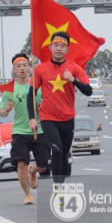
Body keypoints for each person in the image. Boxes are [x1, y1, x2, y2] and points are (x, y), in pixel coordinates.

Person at [28, 31, 93, 183]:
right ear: (50, 47)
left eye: (62, 46)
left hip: (68, 118)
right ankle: (58, 190)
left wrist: (73, 80)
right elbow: (29, 95)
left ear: (67, 50)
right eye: (56, 45)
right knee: (56, 150)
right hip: (48, 118)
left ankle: (60, 183)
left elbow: (89, 91)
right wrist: (32, 118)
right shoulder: (40, 69)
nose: (59, 48)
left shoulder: (74, 68)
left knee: (63, 155)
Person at [0, 53, 49, 205]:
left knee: (43, 166)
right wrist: (6, 110)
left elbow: (46, 104)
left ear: (29, 68)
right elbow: (1, 113)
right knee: (21, 163)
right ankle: (28, 194)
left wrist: (43, 106)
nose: (22, 68)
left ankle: (33, 171)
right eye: (18, 66)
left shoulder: (37, 87)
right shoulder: (9, 90)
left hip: (39, 130)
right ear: (13, 69)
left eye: (24, 65)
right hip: (19, 132)